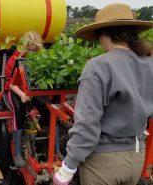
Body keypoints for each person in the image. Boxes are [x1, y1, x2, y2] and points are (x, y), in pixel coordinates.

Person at [53, 3, 153, 185]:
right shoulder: (149, 63)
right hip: (136, 158)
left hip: (104, 162)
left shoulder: (99, 66)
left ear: (104, 34)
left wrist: (68, 168)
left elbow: (87, 124)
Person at [5, 31, 63, 167]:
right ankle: (18, 153)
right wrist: (22, 94)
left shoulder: (39, 59)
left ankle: (56, 149)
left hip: (32, 91)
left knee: (49, 110)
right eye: (29, 50)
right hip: (16, 90)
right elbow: (9, 82)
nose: (31, 53)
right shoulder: (14, 59)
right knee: (18, 111)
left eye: (34, 50)